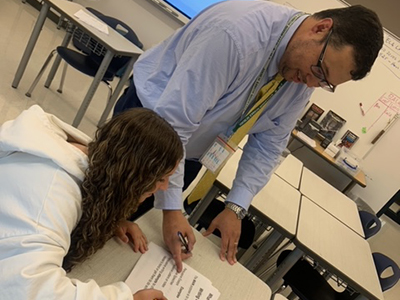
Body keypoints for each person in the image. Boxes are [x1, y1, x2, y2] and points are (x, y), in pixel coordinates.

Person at [113, 1, 384, 268]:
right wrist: (171, 210)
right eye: (319, 71)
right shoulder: (236, 34)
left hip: (191, 152)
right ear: (320, 29)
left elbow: (268, 145)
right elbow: (173, 123)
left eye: (325, 83)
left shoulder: (303, 75)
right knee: (102, 211)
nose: (312, 83)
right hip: (148, 128)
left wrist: (235, 207)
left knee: (127, 241)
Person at [0, 105, 184, 300]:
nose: (163, 187)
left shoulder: (98, 159)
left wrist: (110, 218)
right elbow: (31, 290)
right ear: (134, 177)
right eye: (161, 178)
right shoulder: (51, 195)